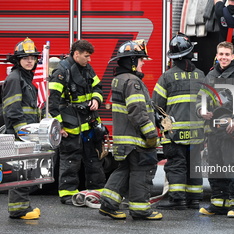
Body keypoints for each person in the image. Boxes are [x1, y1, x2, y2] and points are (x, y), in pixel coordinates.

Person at [99, 40, 162, 220]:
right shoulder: (133, 82)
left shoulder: (119, 79)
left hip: (124, 140)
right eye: (141, 60)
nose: (143, 63)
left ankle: (108, 204)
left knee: (124, 169)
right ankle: (140, 210)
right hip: (136, 140)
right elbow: (137, 111)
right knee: (143, 171)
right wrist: (150, 134)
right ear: (132, 62)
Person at [49, 39, 106, 205]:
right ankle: (68, 194)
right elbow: (53, 102)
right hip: (70, 125)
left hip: (88, 123)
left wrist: (96, 99)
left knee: (94, 159)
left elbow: (98, 87)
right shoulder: (61, 71)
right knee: (70, 161)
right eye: (86, 56)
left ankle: (97, 191)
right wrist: (58, 126)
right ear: (76, 54)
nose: (90, 60)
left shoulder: (87, 68)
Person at [152, 32, 205, 210]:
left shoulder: (167, 77)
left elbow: (157, 106)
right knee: (194, 164)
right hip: (197, 133)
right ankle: (194, 199)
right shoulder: (200, 76)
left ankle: (177, 199)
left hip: (174, 133)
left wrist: (163, 128)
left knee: (176, 165)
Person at [197, 41, 234, 217]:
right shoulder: (210, 76)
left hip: (231, 131)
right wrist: (201, 110)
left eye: (227, 54)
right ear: (217, 55)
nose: (224, 58)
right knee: (215, 167)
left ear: (232, 56)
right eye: (221, 54)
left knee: (233, 166)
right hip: (213, 131)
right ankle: (218, 203)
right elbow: (201, 98)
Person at [2, 37, 41, 219]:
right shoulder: (15, 78)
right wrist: (22, 131)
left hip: (27, 132)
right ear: (18, 60)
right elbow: (12, 108)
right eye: (25, 58)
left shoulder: (25, 78)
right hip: (20, 133)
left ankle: (22, 206)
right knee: (20, 170)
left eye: (32, 58)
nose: (29, 61)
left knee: (25, 170)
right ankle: (19, 209)